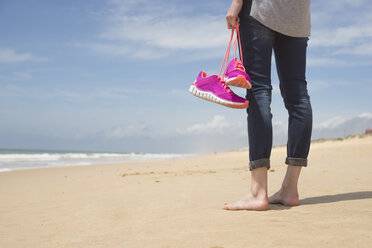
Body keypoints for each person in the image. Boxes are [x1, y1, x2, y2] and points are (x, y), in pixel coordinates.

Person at [223, 0, 313, 210]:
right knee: (298, 97)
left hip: (261, 11)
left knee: (258, 90)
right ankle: (290, 189)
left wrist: (237, 2)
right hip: (298, 16)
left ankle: (258, 192)